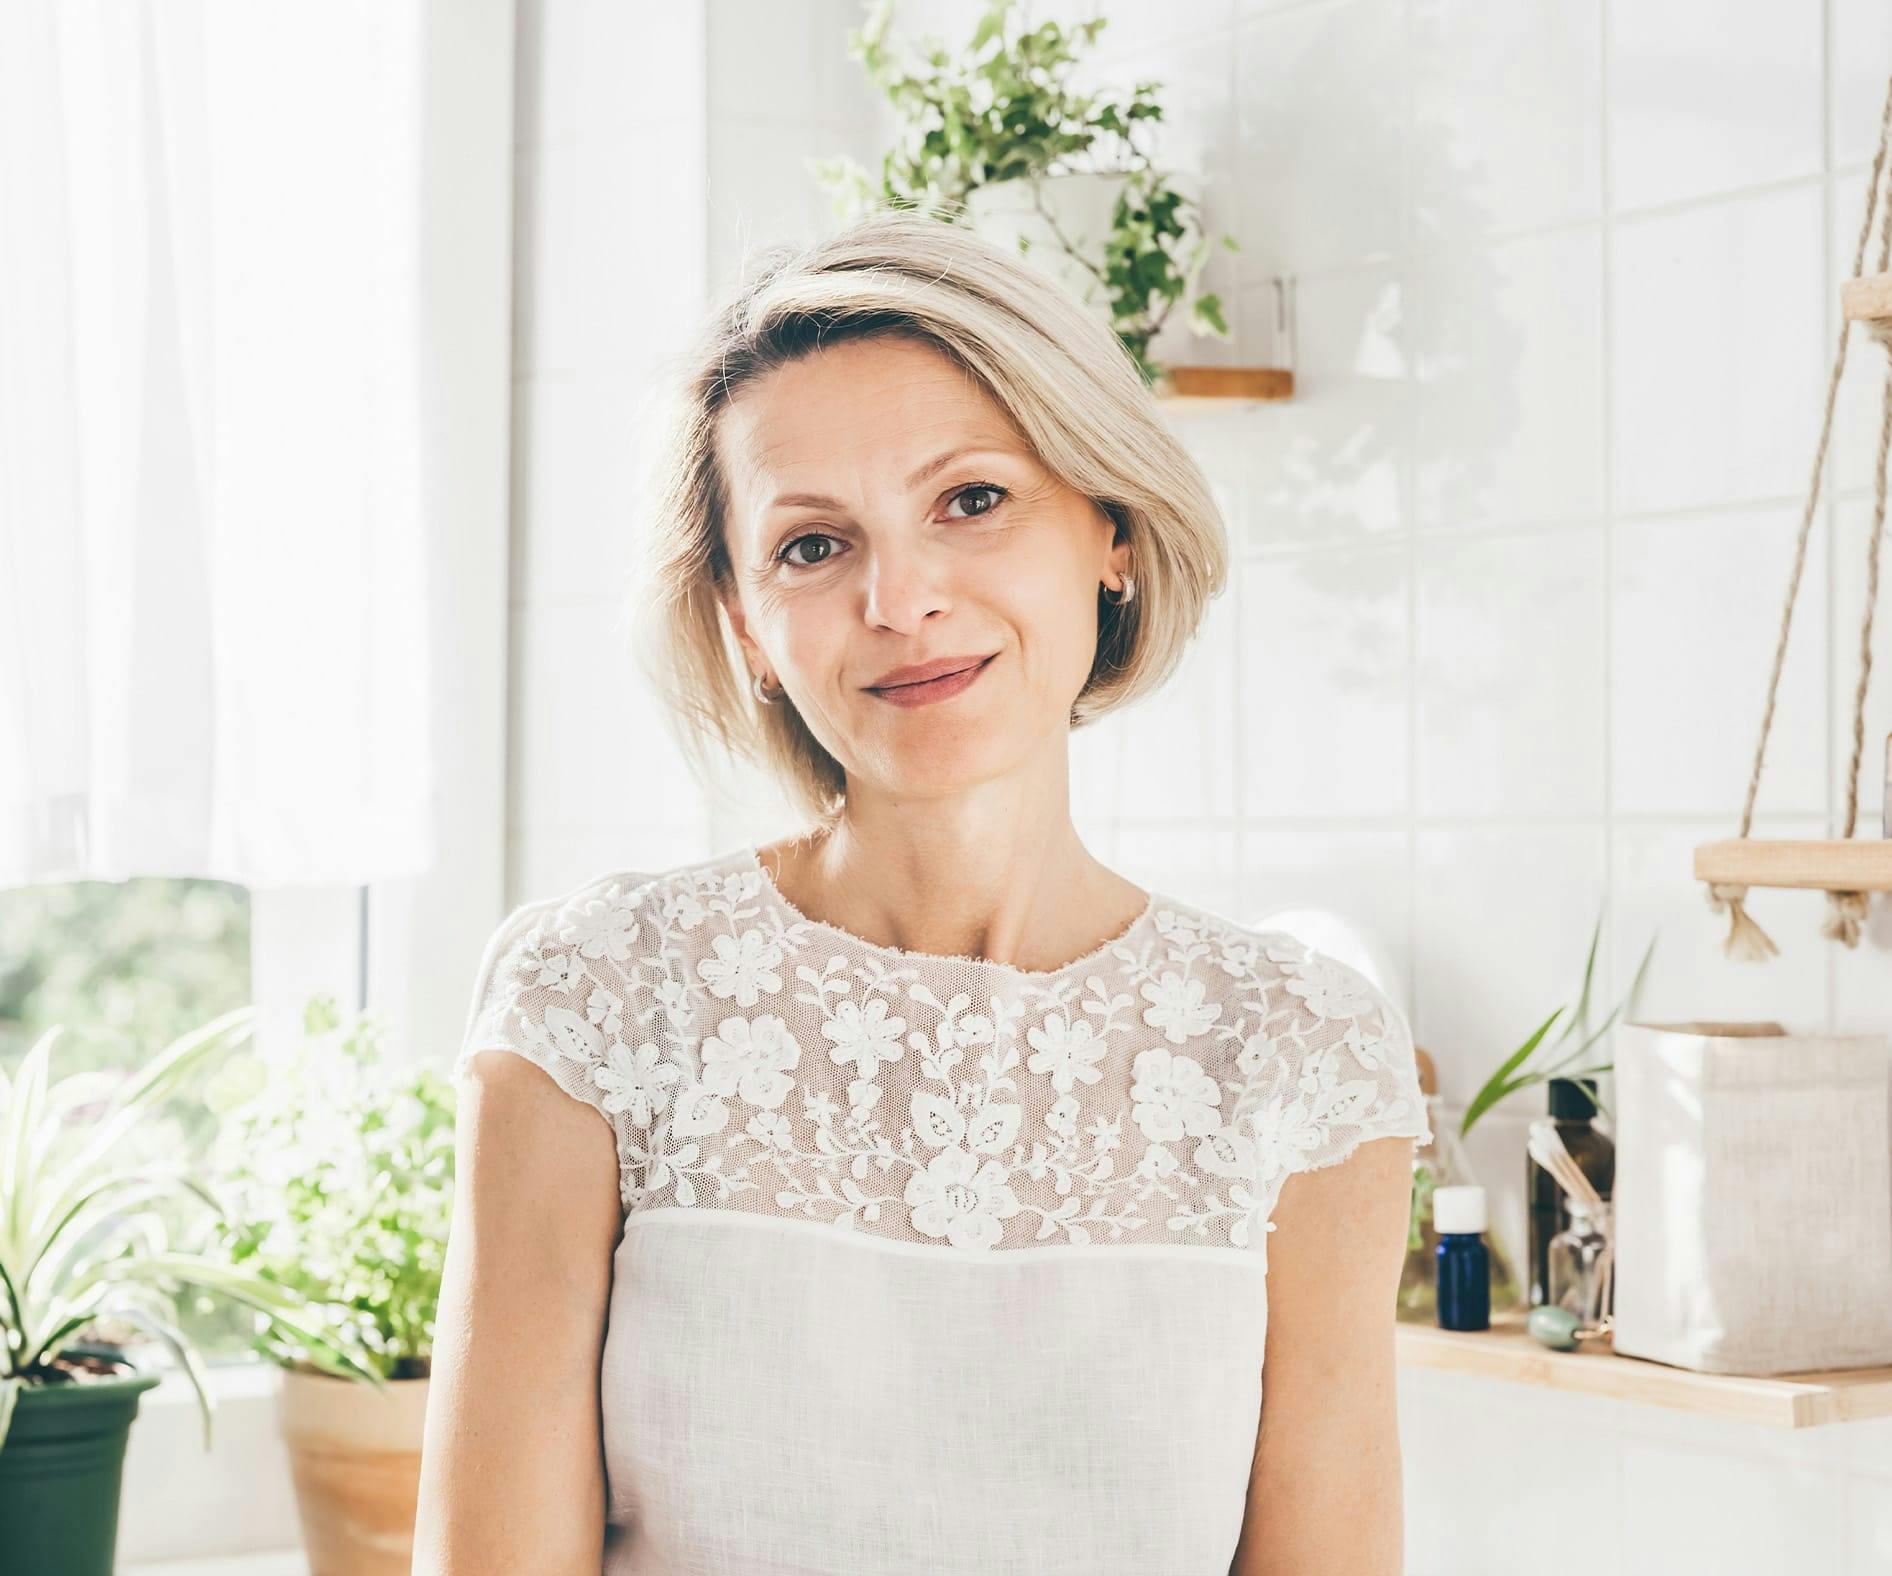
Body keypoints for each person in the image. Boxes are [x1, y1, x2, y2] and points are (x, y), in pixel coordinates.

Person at [413, 206, 1431, 1576]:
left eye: (972, 500)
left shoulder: (1303, 1055)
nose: (901, 598)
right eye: (814, 547)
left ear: (1110, 533)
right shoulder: (594, 1003)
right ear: (746, 628)